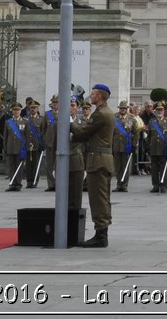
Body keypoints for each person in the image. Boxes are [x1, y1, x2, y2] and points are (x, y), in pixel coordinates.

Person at [71, 83, 116, 248]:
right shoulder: (104, 112)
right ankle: (101, 233)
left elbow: (82, 133)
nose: (91, 95)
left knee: (98, 199)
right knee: (102, 197)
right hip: (102, 159)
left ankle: (101, 235)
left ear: (101, 96)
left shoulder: (101, 114)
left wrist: (70, 122)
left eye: (94, 93)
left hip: (98, 160)